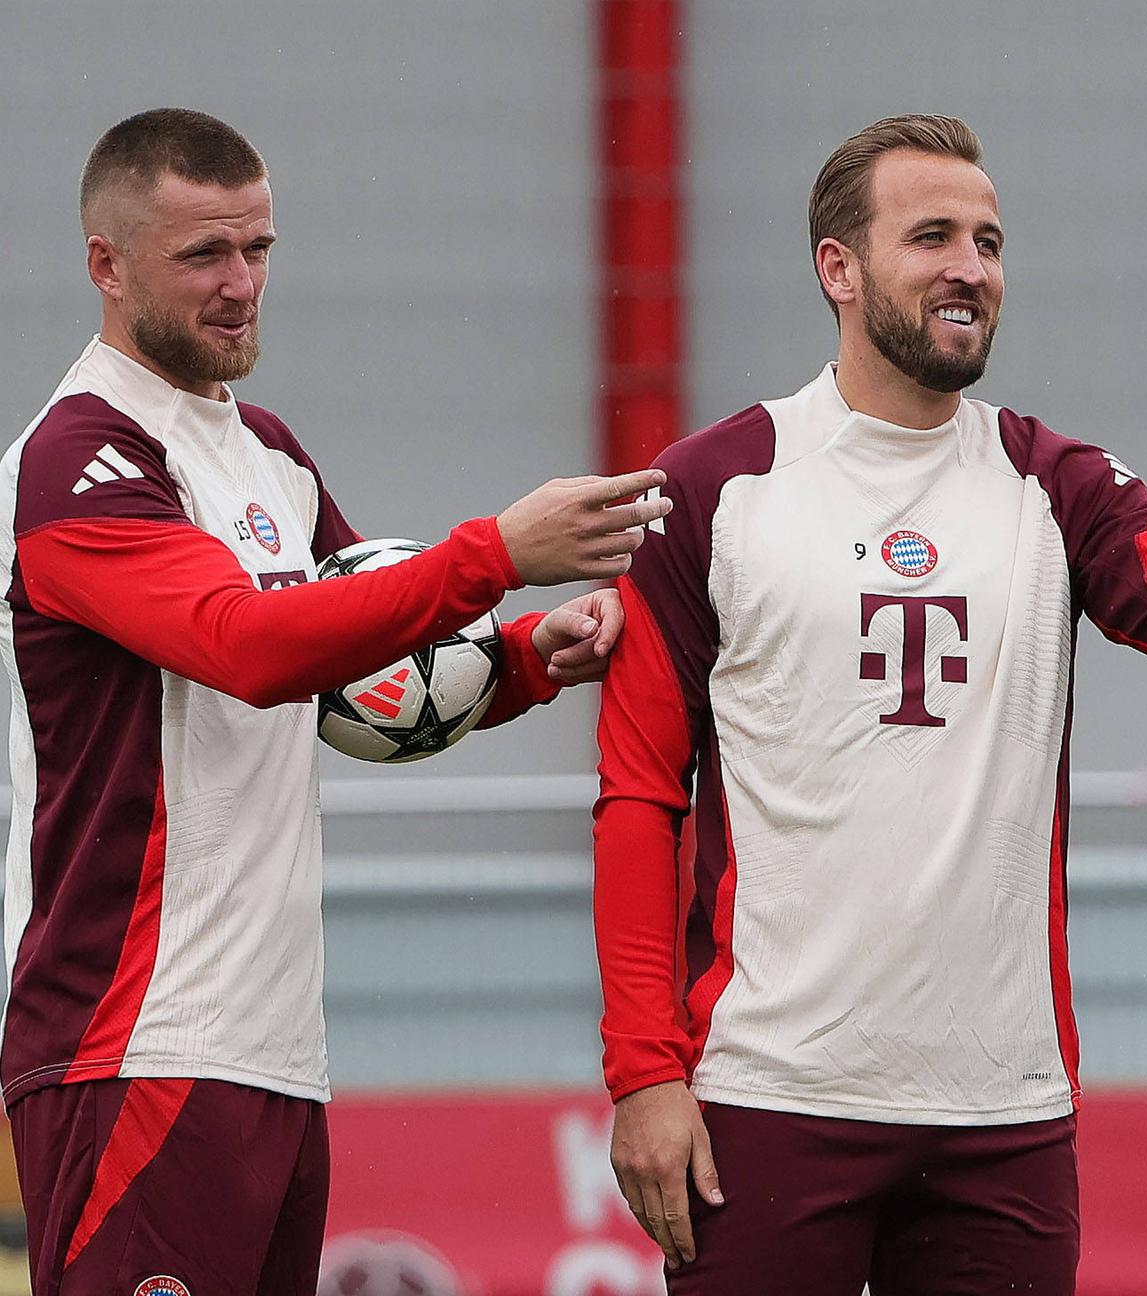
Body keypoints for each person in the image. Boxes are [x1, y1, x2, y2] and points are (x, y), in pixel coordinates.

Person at [0, 108, 671, 1296]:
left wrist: (525, 658)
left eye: (258, 247)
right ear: (106, 265)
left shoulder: (267, 453)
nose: (242, 283)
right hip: (130, 1044)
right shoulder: (79, 461)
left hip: (275, 1050)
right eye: (204, 254)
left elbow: (372, 682)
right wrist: (499, 552)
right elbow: (245, 646)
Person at [594, 113, 1147, 1295]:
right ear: (837, 269)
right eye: (934, 236)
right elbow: (639, 794)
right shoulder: (710, 489)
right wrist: (644, 1072)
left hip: (1004, 1109)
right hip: (769, 1095)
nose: (972, 266)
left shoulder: (1059, 486)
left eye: (990, 242)